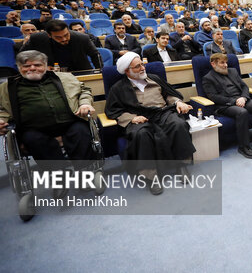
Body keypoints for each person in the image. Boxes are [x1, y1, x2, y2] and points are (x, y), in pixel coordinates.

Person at [0, 50, 97, 194]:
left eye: (37, 65)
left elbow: (84, 91)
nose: (32, 68)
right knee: (32, 139)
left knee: (81, 131)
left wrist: (84, 103)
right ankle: (59, 177)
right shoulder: (7, 87)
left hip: (69, 122)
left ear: (46, 66)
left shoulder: (65, 77)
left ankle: (83, 174)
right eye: (26, 66)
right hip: (33, 129)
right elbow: (2, 109)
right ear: (19, 67)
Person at [105, 52, 195, 195]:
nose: (142, 68)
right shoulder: (118, 88)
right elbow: (113, 110)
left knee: (178, 124)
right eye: (137, 66)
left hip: (162, 112)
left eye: (142, 64)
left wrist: (178, 102)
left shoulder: (154, 78)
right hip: (139, 117)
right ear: (127, 71)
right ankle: (151, 176)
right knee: (141, 134)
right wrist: (131, 118)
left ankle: (181, 165)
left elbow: (169, 95)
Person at [202, 53, 252, 159]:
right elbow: (214, 97)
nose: (225, 65)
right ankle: (244, 146)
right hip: (225, 105)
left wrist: (243, 97)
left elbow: (244, 86)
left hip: (241, 99)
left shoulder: (232, 71)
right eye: (222, 63)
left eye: (226, 62)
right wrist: (235, 101)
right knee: (242, 112)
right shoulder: (208, 78)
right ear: (213, 64)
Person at [22, 20, 102, 70]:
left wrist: (100, 71)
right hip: (51, 74)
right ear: (49, 35)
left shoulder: (82, 38)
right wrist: (39, 66)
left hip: (79, 70)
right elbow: (22, 56)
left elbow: (95, 55)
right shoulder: (37, 38)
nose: (64, 39)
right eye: (58, 37)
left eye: (66, 35)